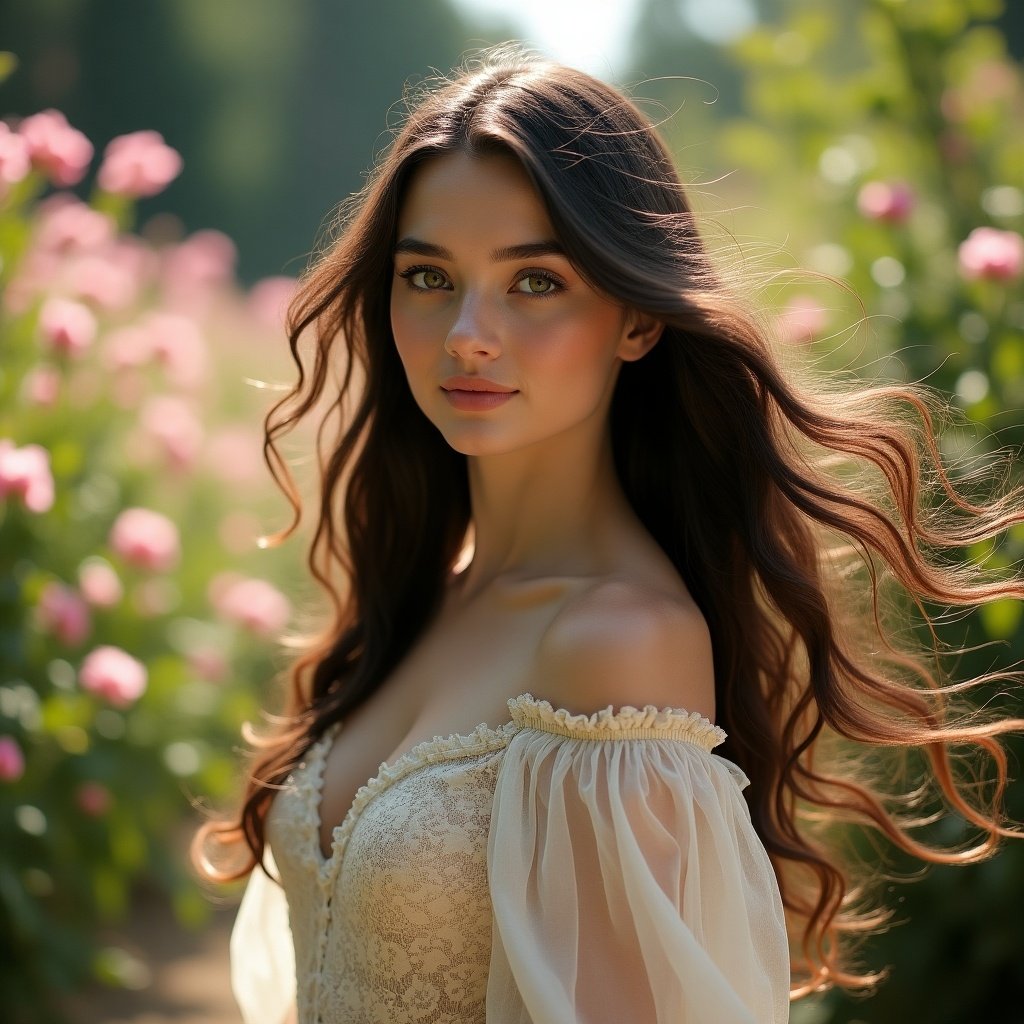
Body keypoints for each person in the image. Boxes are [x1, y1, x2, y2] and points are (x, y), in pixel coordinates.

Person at [193, 45, 1024, 1024]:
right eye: (428, 276)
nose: (467, 332)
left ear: (635, 319)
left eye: (534, 282)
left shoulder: (618, 642)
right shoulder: (425, 588)